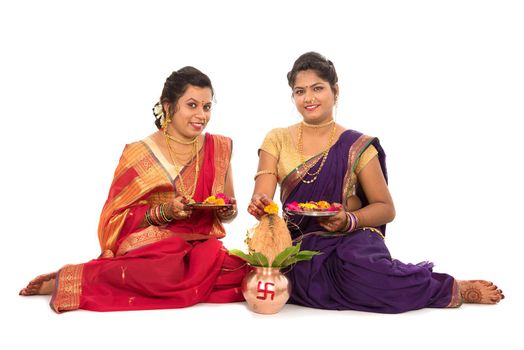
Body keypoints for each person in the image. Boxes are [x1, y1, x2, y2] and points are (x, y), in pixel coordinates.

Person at [248, 52, 504, 313]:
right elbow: (264, 192)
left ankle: (447, 287)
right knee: (276, 275)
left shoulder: (356, 145)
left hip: (350, 241)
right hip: (299, 244)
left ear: (335, 91)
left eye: (317, 88)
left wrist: (349, 219)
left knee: (366, 272)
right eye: (300, 91)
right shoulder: (277, 138)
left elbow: (385, 208)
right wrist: (261, 204)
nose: (309, 98)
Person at [19, 66, 248, 312]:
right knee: (161, 267)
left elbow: (227, 206)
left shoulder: (219, 147)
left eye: (207, 106)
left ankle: (180, 278)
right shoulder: (138, 153)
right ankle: (75, 279)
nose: (201, 115)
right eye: (192, 105)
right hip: (156, 247)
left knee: (244, 270)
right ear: (169, 106)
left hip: (203, 248)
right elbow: (113, 219)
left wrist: (227, 212)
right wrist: (164, 212)